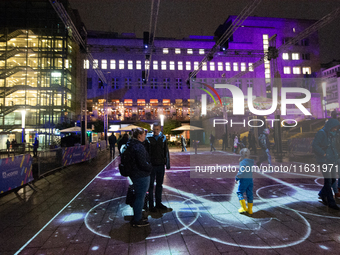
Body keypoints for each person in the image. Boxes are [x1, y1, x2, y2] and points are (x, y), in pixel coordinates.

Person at [126, 128, 153, 227]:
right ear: (139, 136)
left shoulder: (131, 144)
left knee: (138, 196)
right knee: (140, 197)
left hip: (134, 174)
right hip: (140, 175)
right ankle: (137, 220)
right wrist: (150, 168)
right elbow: (142, 163)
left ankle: (137, 215)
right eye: (144, 134)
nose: (145, 136)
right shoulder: (138, 146)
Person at [312, 118, 340, 210]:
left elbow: (333, 147)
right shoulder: (322, 133)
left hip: (331, 160)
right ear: (330, 126)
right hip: (324, 160)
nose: (335, 130)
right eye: (334, 128)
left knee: (332, 180)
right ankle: (331, 202)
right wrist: (323, 154)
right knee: (328, 181)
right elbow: (315, 145)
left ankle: (322, 193)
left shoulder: (332, 135)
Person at [144, 122, 170, 212]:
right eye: (154, 129)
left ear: (160, 129)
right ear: (152, 129)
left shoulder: (163, 138)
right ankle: (151, 205)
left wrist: (167, 163)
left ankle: (158, 203)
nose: (156, 131)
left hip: (160, 165)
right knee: (150, 186)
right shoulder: (148, 138)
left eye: (157, 129)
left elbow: (166, 151)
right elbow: (145, 152)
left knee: (159, 185)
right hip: (151, 166)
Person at [235, 148, 254, 214]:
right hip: (250, 180)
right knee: (250, 194)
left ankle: (243, 207)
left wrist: (237, 178)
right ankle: (250, 210)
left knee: (239, 192)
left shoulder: (243, 162)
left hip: (244, 180)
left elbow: (241, 172)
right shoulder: (251, 162)